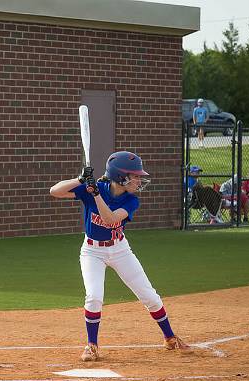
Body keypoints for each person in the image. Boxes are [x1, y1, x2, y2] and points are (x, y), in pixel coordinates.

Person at [49, 151, 190, 361]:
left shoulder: (131, 200)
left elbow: (111, 220)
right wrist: (79, 179)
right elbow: (55, 191)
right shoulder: (94, 188)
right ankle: (92, 345)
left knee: (149, 295)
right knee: (94, 296)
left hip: (120, 249)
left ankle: (170, 337)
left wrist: (95, 195)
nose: (139, 180)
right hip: (92, 251)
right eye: (135, 176)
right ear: (120, 177)